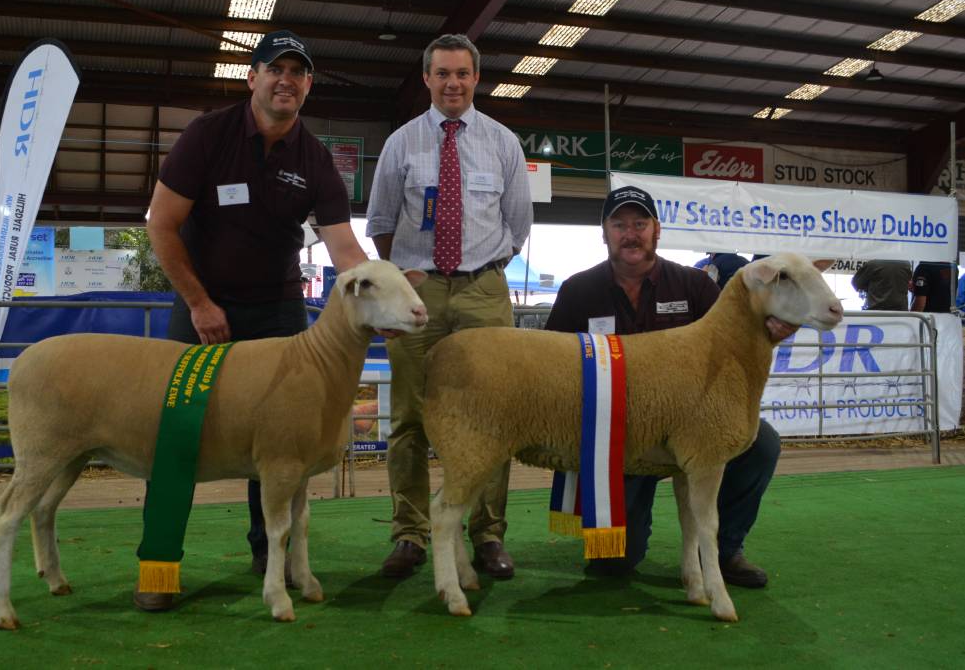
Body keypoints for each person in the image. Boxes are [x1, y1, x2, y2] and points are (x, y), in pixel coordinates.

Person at [142, 30, 368, 609]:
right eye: (274, 68)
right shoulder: (208, 135)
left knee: (281, 443)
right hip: (202, 303)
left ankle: (273, 559)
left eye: (298, 72)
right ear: (252, 78)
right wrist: (198, 302)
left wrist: (384, 292)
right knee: (179, 437)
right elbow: (161, 224)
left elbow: (345, 249)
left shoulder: (314, 158)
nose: (285, 80)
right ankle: (160, 564)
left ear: (308, 86)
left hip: (277, 308)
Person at [544, 185, 790, 588]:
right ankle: (615, 538)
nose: (630, 233)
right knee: (613, 564)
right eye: (619, 224)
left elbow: (736, 346)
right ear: (603, 233)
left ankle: (723, 550)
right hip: (616, 441)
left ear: (657, 230)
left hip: (693, 430)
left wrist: (772, 334)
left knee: (762, 443)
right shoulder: (578, 290)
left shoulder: (694, 286)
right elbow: (554, 366)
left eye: (639, 223)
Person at [365, 33, 533, 580]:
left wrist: (483, 272)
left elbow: (519, 225)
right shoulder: (401, 144)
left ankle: (487, 535)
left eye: (462, 73)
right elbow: (383, 225)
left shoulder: (504, 143)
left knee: (494, 416)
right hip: (418, 291)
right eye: (442, 74)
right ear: (427, 79)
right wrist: (414, 278)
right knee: (410, 416)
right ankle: (410, 534)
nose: (453, 83)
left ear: (476, 78)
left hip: (485, 290)